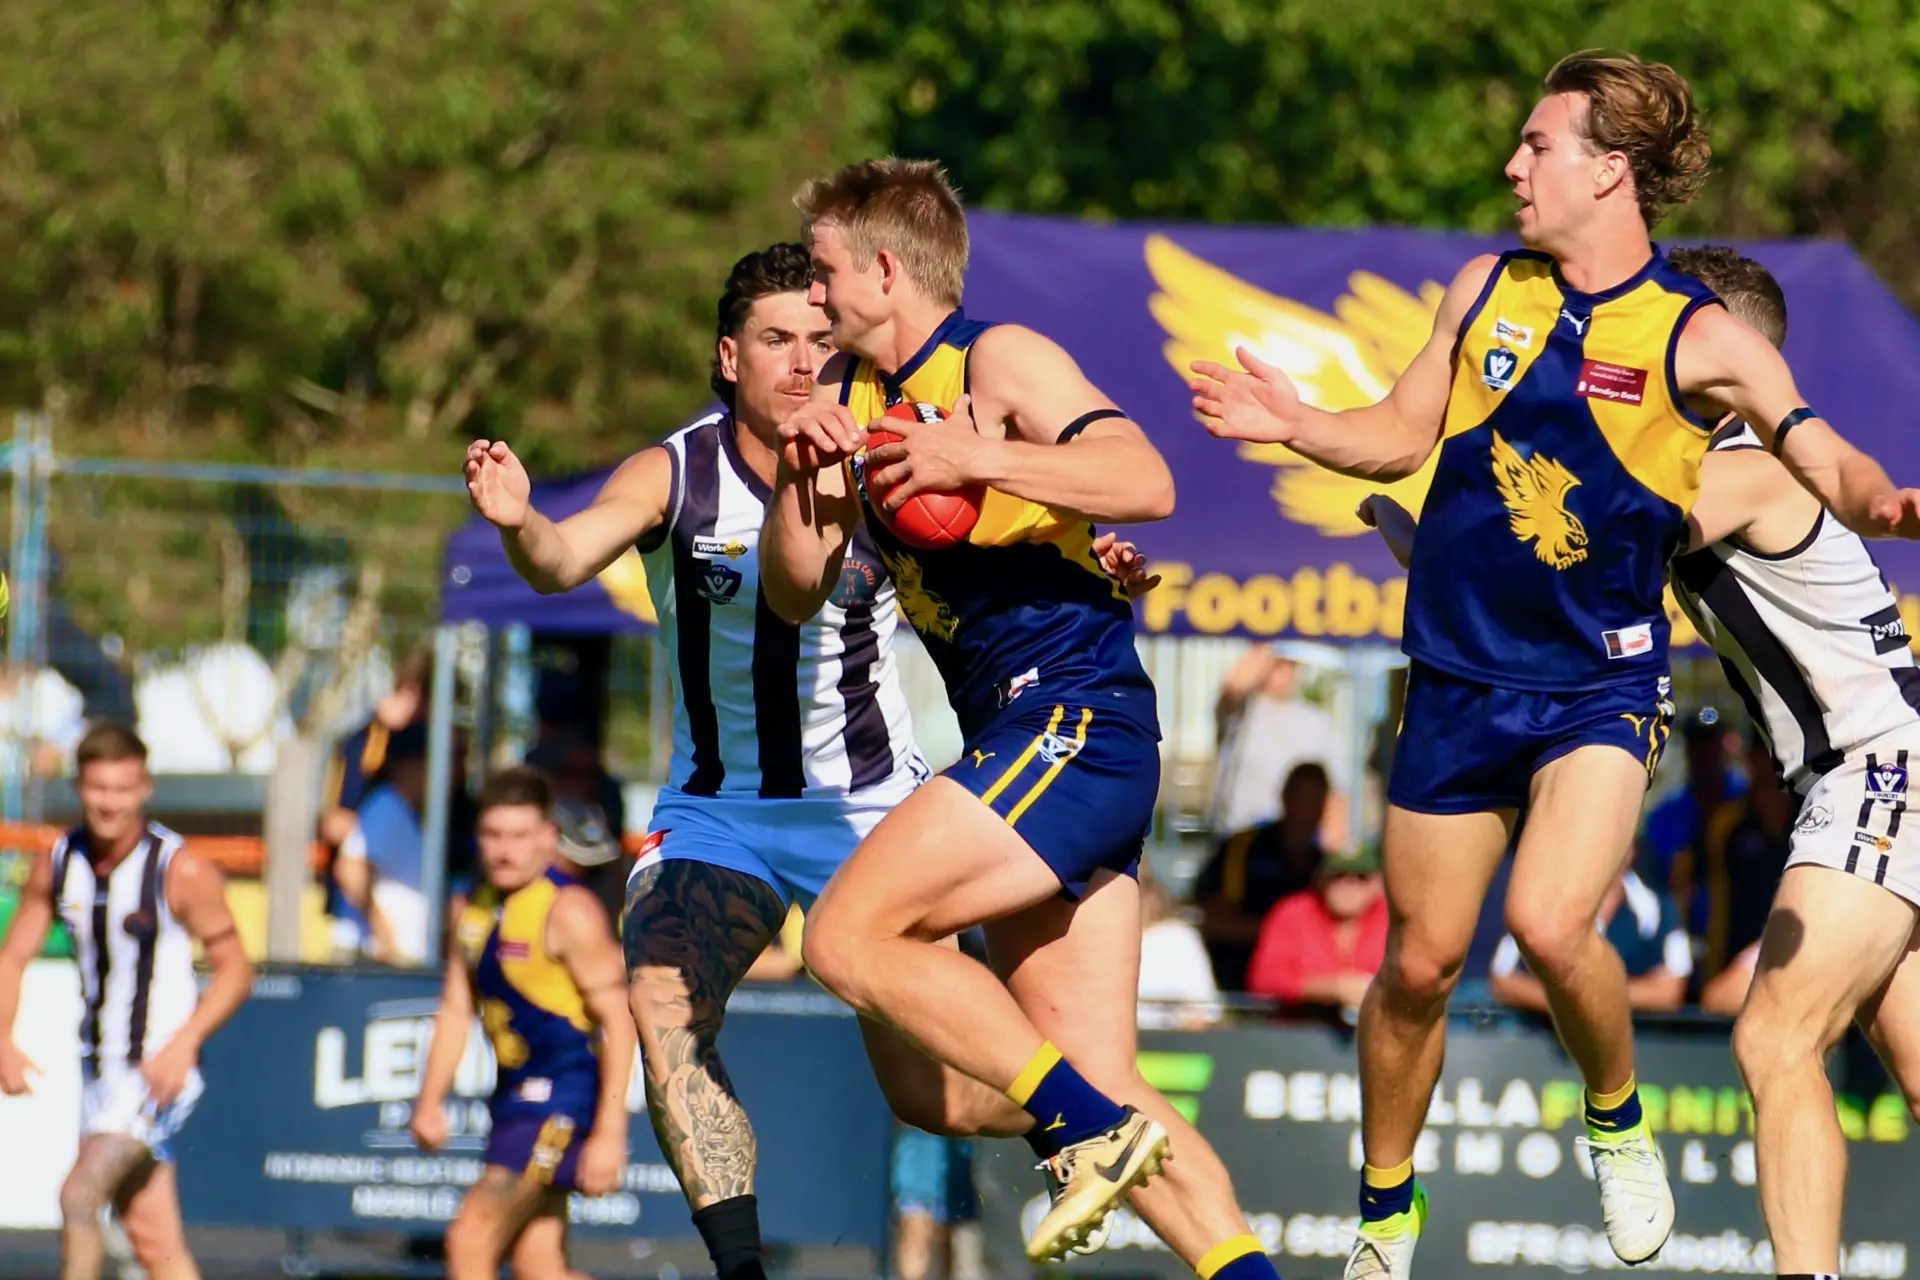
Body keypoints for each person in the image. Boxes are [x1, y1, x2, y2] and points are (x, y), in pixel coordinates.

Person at [1191, 51, 1920, 1280]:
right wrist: (1312, 432)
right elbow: (1436, 454)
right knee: (1420, 962)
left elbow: (1797, 467)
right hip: (1514, 695)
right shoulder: (1489, 293)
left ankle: (1657, 1152)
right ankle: (1386, 1210)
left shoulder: (1720, 432)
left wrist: (1887, 501)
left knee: (1754, 1030)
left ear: (1609, 167)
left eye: (1538, 144)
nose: (1511, 165)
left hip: (1860, 759)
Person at [462, 241, 1157, 1280]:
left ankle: (1106, 1109)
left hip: (872, 807)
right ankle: (741, 1269)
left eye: (820, 340)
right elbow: (565, 556)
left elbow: (996, 543)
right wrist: (522, 524)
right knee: (664, 1006)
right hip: (719, 809)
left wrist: (1093, 555)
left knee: (933, 1098)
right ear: (727, 354)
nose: (801, 362)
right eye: (776, 340)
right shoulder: (675, 469)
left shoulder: (885, 456)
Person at [1359, 243, 1920, 1280]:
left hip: (1884, 767)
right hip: (1865, 780)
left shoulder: (1741, 464)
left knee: (1775, 1040)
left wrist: (1449, 543)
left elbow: (1598, 546)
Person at [762, 156, 1278, 1276]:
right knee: (1076, 1075)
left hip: (1076, 722)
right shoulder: (846, 403)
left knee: (847, 936)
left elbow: (1146, 479)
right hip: (1024, 737)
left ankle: (1084, 1131)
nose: (812, 295)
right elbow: (796, 588)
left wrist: (969, 450)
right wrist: (803, 484)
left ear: (887, 269)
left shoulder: (993, 358)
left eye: (824, 269)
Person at [0, 723, 254, 1280]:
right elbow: (12, 956)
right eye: (97, 789)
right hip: (98, 1071)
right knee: (152, 1236)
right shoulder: (59, 861)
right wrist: (3, 1041)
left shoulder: (178, 869)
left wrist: (184, 1045)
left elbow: (237, 971)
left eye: (121, 789)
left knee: (78, 1196)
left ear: (144, 789)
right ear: (78, 788)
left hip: (154, 1073)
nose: (108, 803)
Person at [411, 767, 634, 1280]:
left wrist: (610, 1130)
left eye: (519, 836)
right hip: (512, 1099)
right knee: (539, 1266)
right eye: (492, 835)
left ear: (547, 839)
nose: (504, 850)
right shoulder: (469, 907)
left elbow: (618, 1020)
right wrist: (428, 1101)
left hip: (559, 1101)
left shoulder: (568, 911)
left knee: (469, 1239)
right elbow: (455, 1008)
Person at [1194, 761, 1331, 991]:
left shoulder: (1324, 863)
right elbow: (1215, 921)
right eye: (1303, 797)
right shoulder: (1241, 849)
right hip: (1234, 985)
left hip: (1298, 996)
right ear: (1285, 797)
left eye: (1317, 800)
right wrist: (1281, 932)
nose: (1309, 809)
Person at [1488, 869, 1691, 1015]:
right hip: (1543, 1042)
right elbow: (1503, 979)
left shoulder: (1659, 906)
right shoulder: (1540, 901)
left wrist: (1589, 999)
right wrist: (1563, 1003)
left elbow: (1669, 991)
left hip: (1636, 1046)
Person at [1243, 845, 1390, 1014]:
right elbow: (1264, 980)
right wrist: (1333, 988)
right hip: (1302, 1028)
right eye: (1337, 875)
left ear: (1378, 883)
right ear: (1319, 878)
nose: (1348, 884)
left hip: (1377, 1028)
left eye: (1361, 877)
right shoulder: (1293, 913)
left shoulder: (1393, 919)